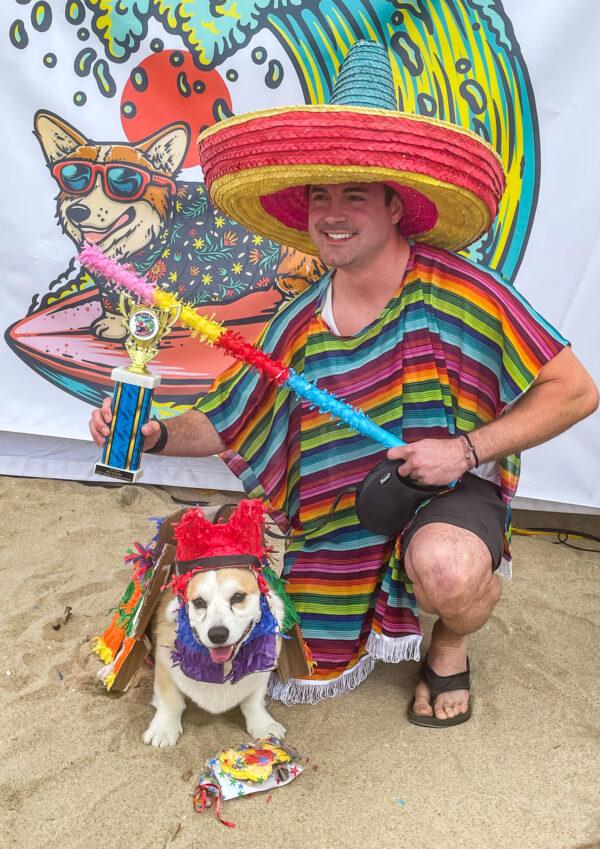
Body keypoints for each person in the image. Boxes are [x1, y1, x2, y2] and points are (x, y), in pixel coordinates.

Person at [90, 41, 598, 725]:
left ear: (395, 205)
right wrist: (150, 433)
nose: (331, 212)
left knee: (446, 568)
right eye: (320, 195)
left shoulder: (463, 289)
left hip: (455, 487)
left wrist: (467, 449)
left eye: (353, 194)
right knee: (280, 650)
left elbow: (575, 388)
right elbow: (228, 418)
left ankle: (449, 641)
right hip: (342, 514)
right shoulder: (296, 322)